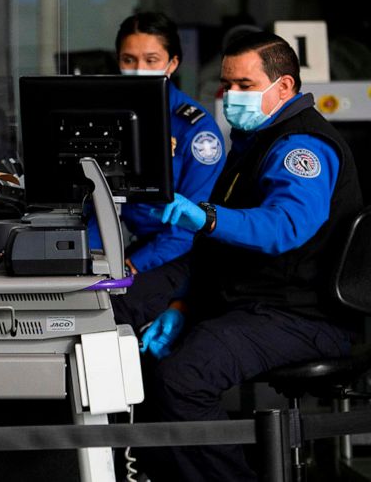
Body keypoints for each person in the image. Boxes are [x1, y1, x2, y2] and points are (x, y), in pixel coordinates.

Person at [118, 31, 363, 481]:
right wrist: (181, 306)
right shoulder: (254, 139)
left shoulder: (301, 148)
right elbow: (219, 255)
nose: (231, 96)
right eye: (226, 85)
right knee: (138, 350)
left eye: (245, 86)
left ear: (284, 87)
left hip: (304, 316)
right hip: (252, 301)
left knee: (182, 380)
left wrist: (208, 217)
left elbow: (284, 227)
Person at [90, 12, 225, 273]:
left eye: (151, 60)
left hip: (179, 251)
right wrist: (92, 258)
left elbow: (194, 221)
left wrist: (133, 266)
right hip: (123, 244)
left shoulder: (196, 129)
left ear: (172, 63)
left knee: (116, 309)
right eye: (129, 59)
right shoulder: (106, 118)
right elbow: (93, 202)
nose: (139, 69)